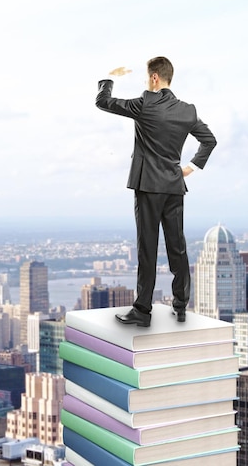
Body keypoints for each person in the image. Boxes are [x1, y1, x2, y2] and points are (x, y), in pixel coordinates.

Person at [95, 56, 216, 326]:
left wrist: (109, 78)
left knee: (147, 249)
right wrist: (190, 167)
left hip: (148, 186)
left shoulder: (145, 104)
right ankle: (181, 305)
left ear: (153, 78)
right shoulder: (188, 111)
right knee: (178, 247)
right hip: (174, 185)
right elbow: (210, 140)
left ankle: (142, 310)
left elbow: (103, 102)